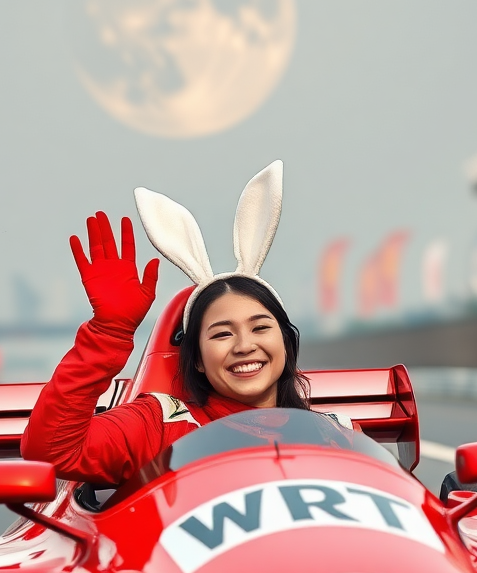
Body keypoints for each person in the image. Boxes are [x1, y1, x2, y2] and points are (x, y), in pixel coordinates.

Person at [21, 161, 310, 485]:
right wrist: (108, 333)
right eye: (222, 334)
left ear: (285, 340)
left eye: (260, 328)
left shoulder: (332, 434)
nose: (244, 346)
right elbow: (52, 452)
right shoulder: (159, 425)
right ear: (197, 359)